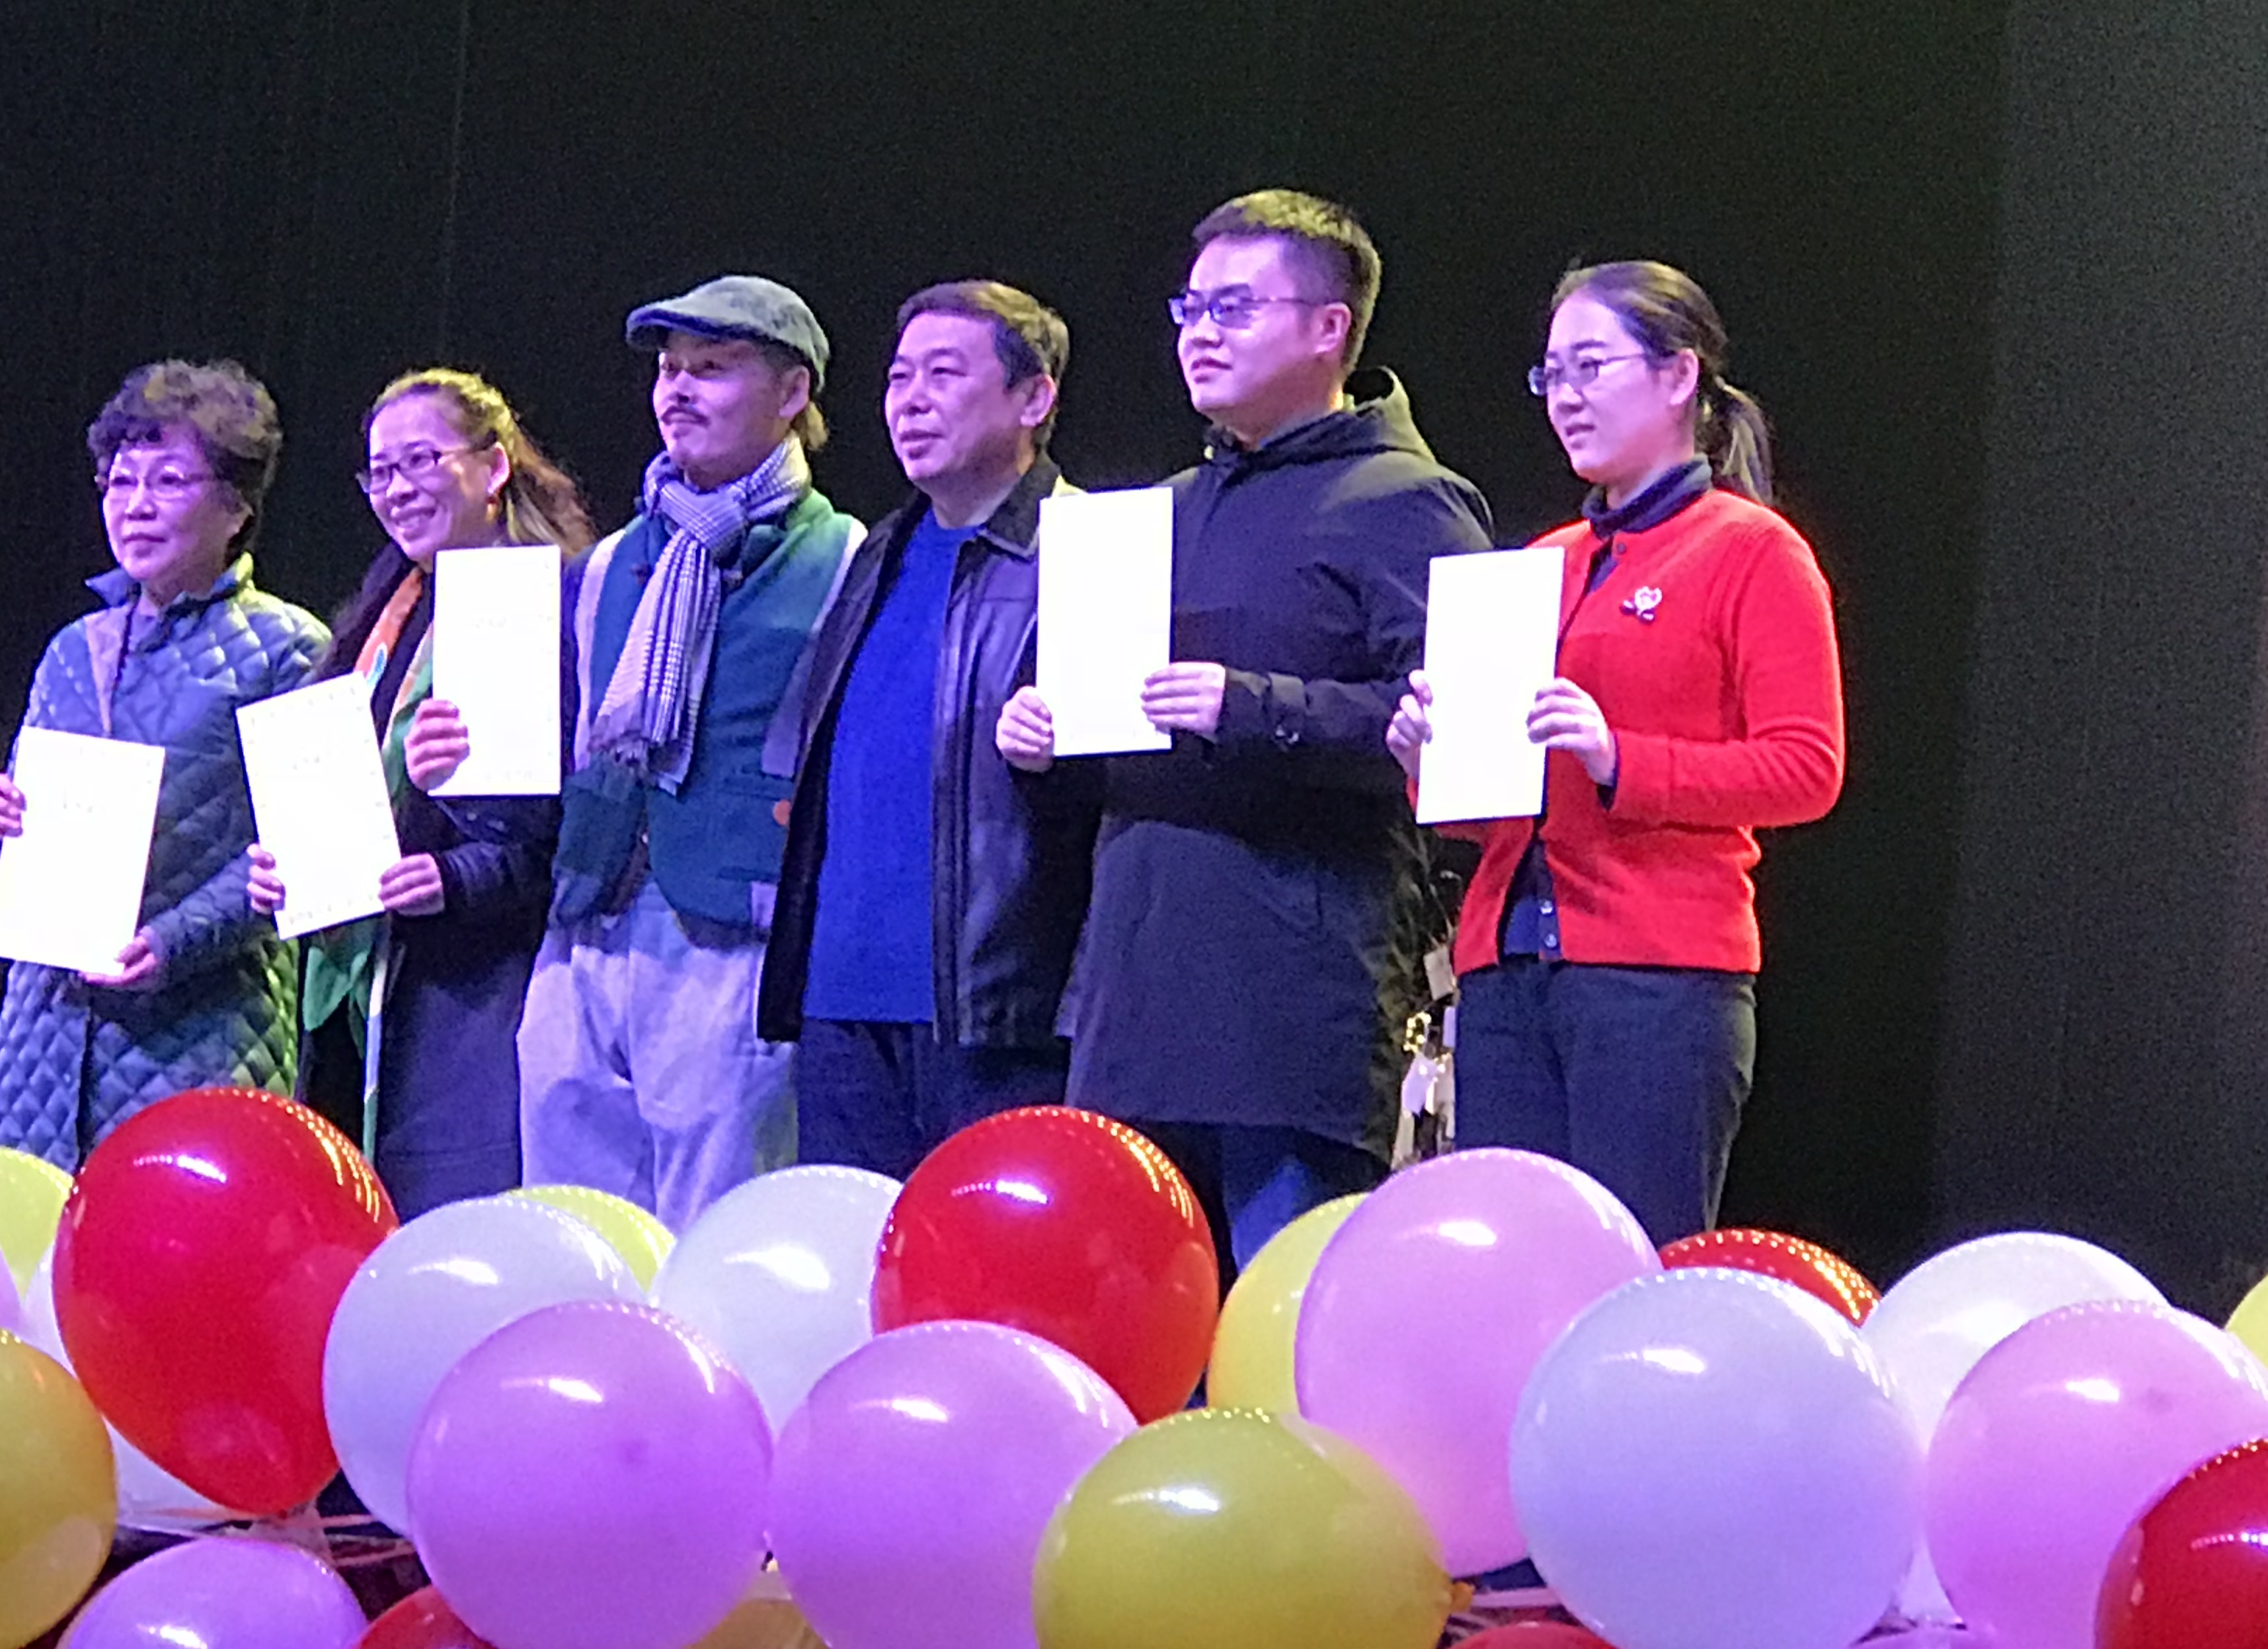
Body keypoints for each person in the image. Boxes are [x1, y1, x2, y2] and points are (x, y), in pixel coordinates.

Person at [999, 189, 1495, 1270]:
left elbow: (1462, 727)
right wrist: (1043, 737)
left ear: (1327, 328)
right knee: (1125, 1304)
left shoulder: (1406, 500)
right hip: (1135, 988)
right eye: (1190, 308)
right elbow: (1106, 742)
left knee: (1282, 1309)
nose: (1200, 333)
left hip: (1291, 999)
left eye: (1234, 307)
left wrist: (1253, 705)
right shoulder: (1157, 512)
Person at [1387, 260, 1843, 1246]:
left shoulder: (1750, 550)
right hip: (1504, 973)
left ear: (1679, 376)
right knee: (1515, 1270)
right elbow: (1493, 808)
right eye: (1551, 374)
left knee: (1631, 1268)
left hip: (1655, 978)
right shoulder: (1540, 562)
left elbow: (1807, 768)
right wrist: (1430, 757)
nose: (1566, 396)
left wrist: (1619, 757)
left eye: (1591, 366)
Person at [520, 276, 865, 1227]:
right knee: (571, 1222)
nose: (677, 390)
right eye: (669, 370)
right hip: (591, 917)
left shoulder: (843, 558)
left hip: (732, 930)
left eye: (711, 368)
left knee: (713, 1224)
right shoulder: (614, 561)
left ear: (792, 392)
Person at [759, 280, 1095, 1178]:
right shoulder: (881, 550)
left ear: (1035, 398)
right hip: (841, 1005)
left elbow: (1128, 784)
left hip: (998, 1014)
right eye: (899, 377)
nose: (910, 400)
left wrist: (1061, 756)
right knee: (856, 1255)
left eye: (944, 374)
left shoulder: (1088, 551)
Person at [245, 369, 594, 1217]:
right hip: (357, 988)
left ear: (495, 465)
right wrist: (289, 867)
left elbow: (572, 833)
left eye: (420, 461)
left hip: (477, 996)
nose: (396, 489)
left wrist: (454, 877)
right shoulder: (381, 617)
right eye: (379, 472)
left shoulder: (553, 604)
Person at [0, 360, 327, 1169]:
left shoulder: (291, 648)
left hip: (203, 1034)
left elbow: (310, 857)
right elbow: (20, 836)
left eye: (168, 481)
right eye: (119, 481)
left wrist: (175, 941)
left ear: (237, 506)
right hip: (43, 1037)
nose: (135, 505)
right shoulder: (72, 650)